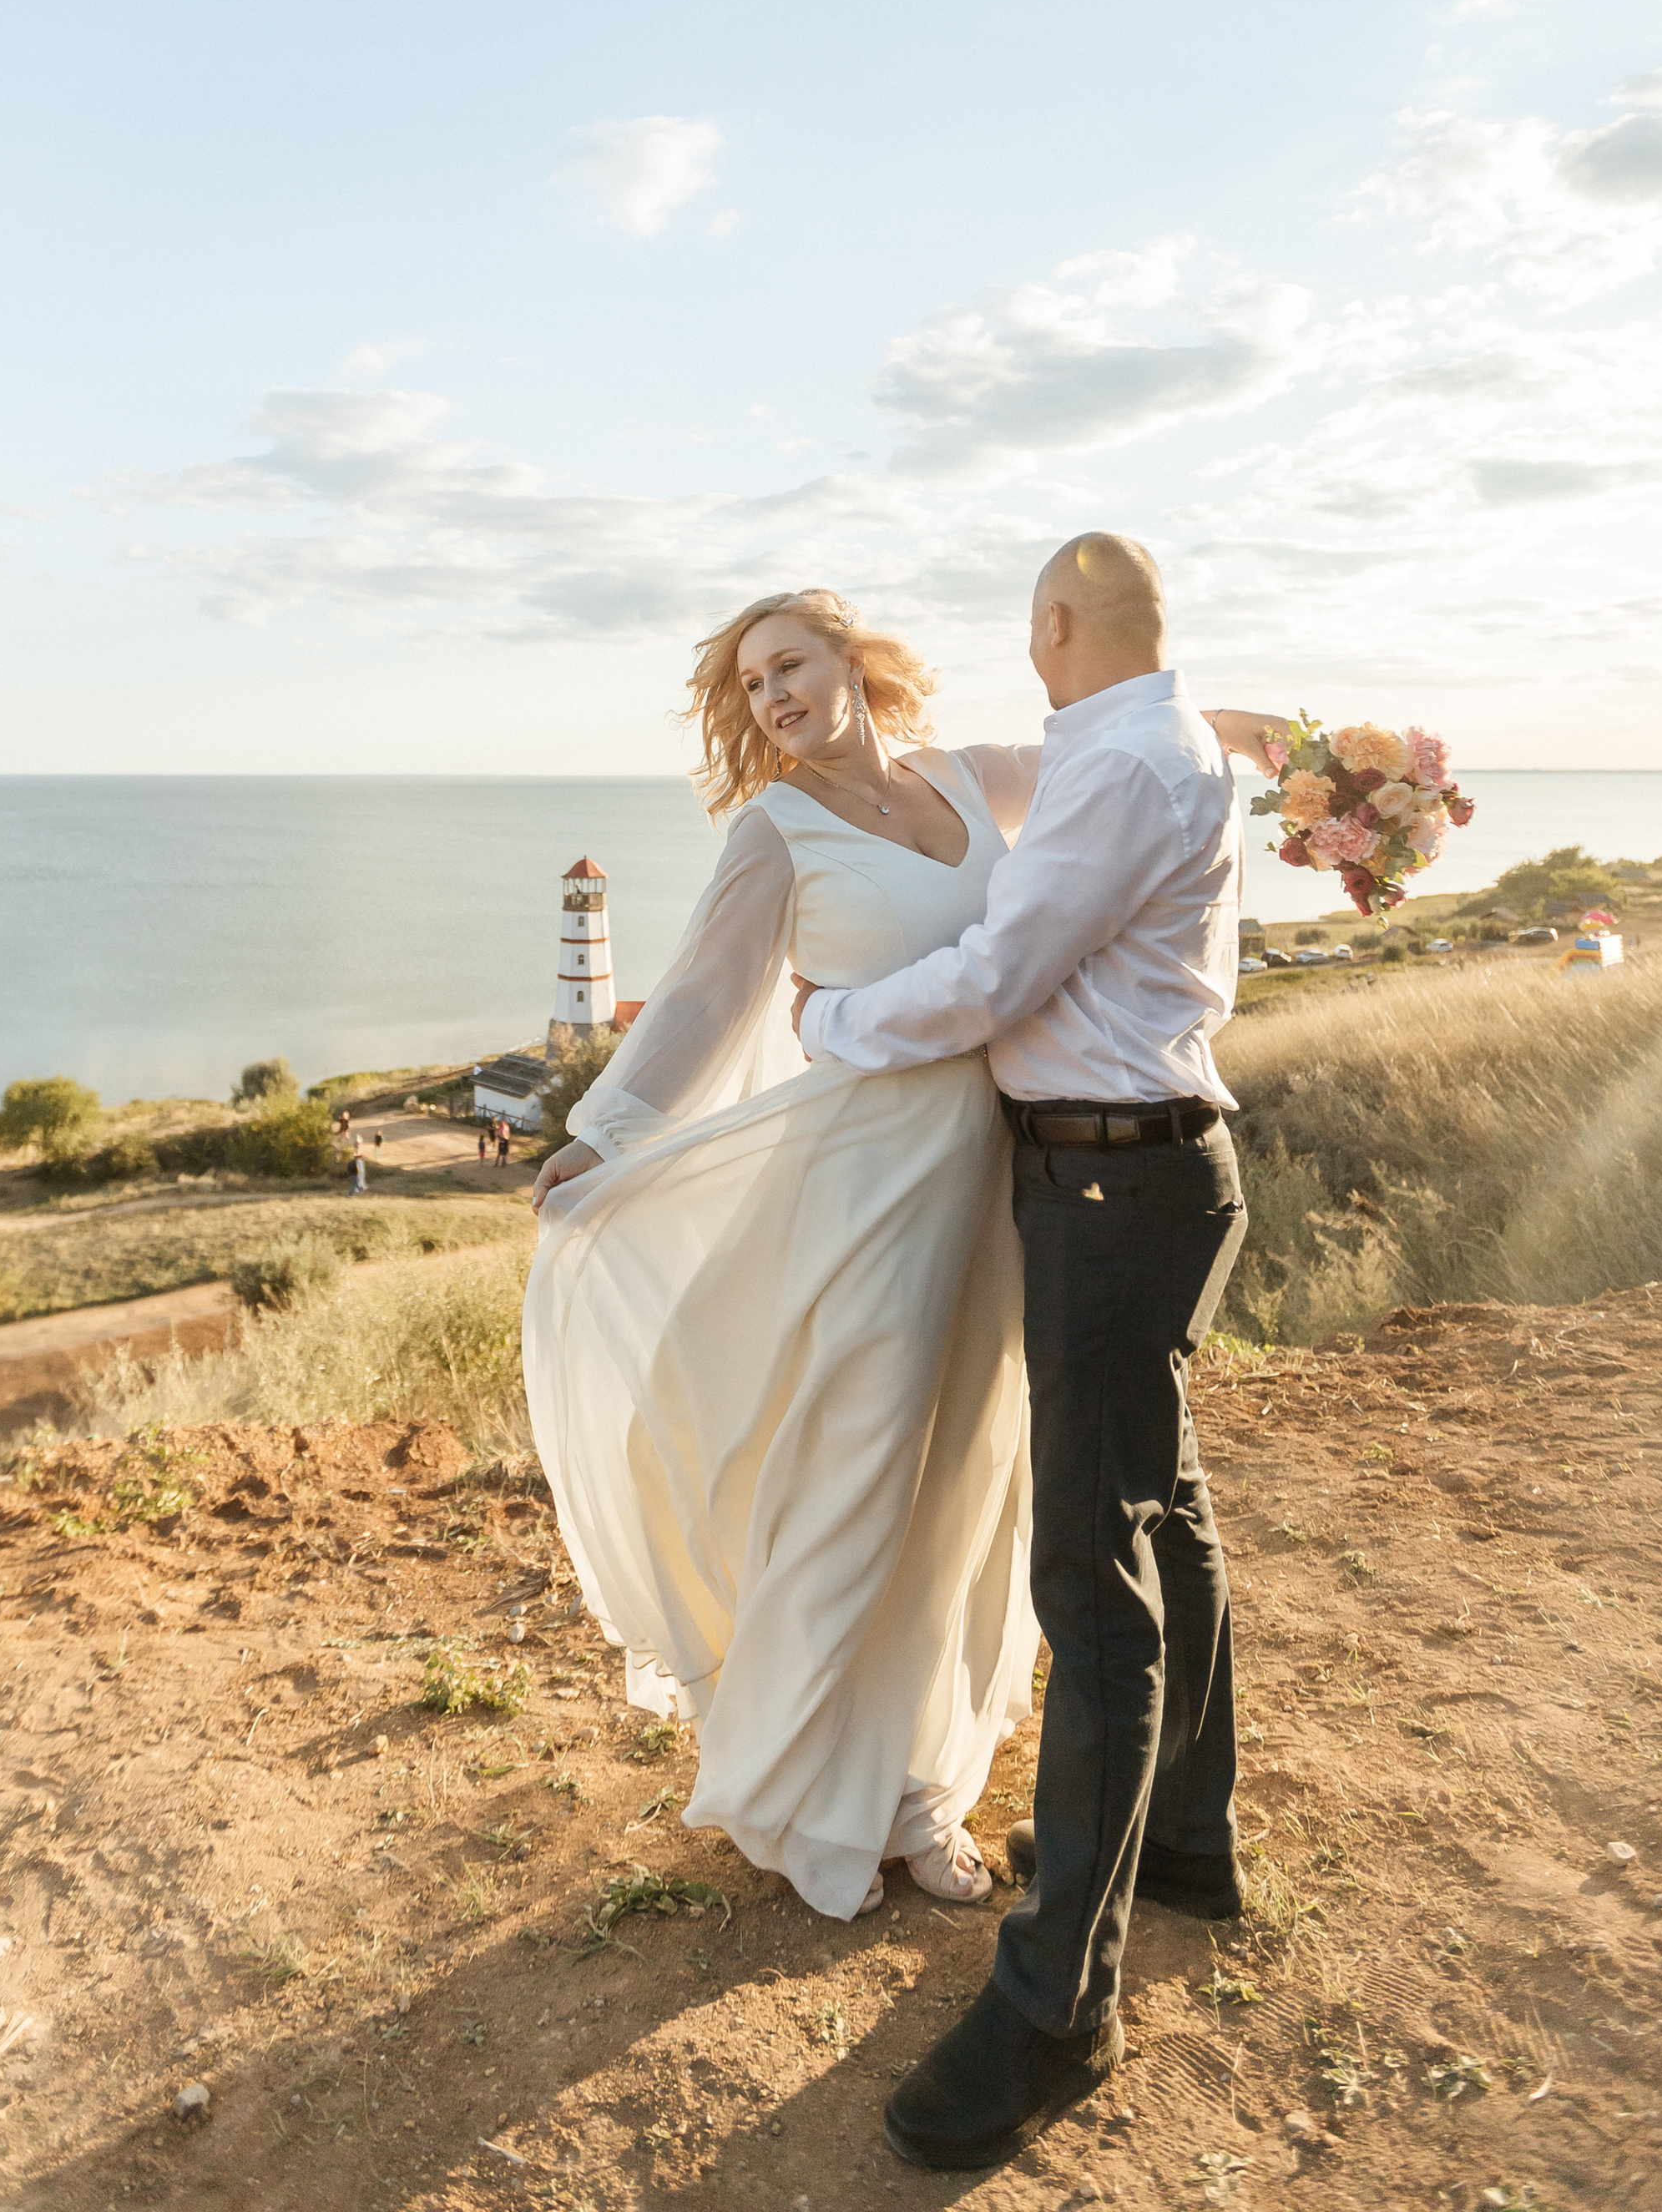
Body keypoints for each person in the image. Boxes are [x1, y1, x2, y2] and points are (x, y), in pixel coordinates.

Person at [525, 580, 1279, 1933]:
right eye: (751, 684)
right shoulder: (776, 830)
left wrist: (1232, 730)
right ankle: (814, 1792)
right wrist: (604, 1136)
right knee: (858, 1480)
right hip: (864, 1191)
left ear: (851, 660)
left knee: (967, 1492)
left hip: (999, 1189)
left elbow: (1108, 761)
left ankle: (922, 1790)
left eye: (789, 665)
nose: (772, 697)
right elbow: (704, 996)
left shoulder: (967, 775)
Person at [791, 535, 1267, 2174]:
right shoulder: (1148, 739)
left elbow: (998, 976)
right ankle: (1187, 1841)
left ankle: (1059, 2003)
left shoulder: (1122, 764)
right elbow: (1015, 773)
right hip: (1146, 1173)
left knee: (1094, 1580)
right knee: (1164, 1514)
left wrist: (827, 1021)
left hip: (1108, 1188)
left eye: (1030, 629)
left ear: (1056, 623)